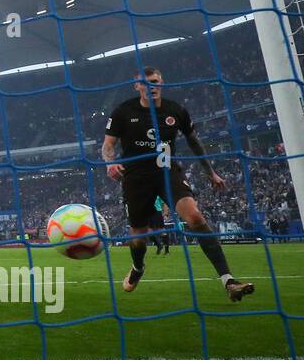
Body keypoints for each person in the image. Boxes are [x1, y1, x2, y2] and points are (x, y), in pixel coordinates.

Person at [102, 66, 254, 301]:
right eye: (146, 82)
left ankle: (228, 281)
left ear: (161, 82)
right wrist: (110, 164)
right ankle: (138, 267)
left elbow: (194, 142)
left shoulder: (176, 111)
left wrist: (210, 172)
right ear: (137, 86)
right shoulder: (123, 112)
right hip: (136, 178)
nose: (151, 86)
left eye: (155, 81)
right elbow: (108, 145)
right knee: (138, 236)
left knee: (195, 217)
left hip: (167, 172)